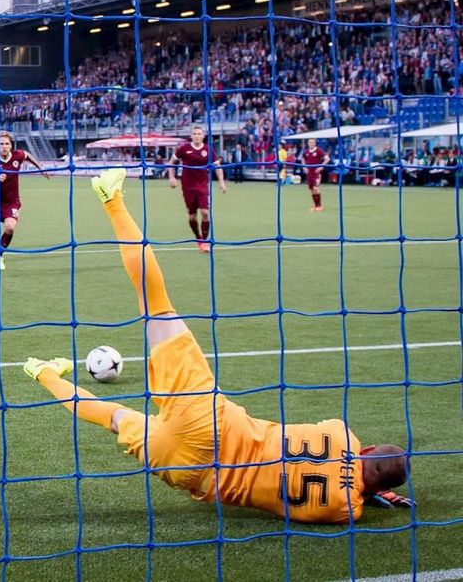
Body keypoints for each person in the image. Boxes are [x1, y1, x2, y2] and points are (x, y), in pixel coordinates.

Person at [22, 168, 413, 524]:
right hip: (190, 472)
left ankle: (112, 199)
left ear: (369, 449)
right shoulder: (345, 510)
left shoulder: (343, 436)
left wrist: (361, 472)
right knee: (114, 418)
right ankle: (42, 371)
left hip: (211, 425)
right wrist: (368, 489)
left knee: (155, 305)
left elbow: (342, 456)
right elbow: (350, 486)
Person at [0, 131, 47, 274]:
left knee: (10, 227)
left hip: (12, 202)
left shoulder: (17, 156)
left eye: (7, 144)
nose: (4, 146)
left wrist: (40, 167)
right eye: (1, 144)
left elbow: (27, 154)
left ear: (11, 146)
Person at [169, 125, 226, 253]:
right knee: (192, 216)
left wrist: (221, 183)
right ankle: (198, 239)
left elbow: (218, 166)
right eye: (194, 133)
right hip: (187, 187)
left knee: (205, 213)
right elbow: (171, 162)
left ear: (203, 136)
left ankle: (204, 242)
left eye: (199, 133)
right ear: (191, 136)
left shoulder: (208, 150)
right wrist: (172, 177)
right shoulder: (184, 149)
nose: (197, 136)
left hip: (202, 186)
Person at [302, 138, 331, 211]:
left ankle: (319, 206)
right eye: (309, 142)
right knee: (312, 189)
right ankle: (315, 206)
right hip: (309, 174)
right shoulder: (306, 152)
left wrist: (321, 166)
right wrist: (304, 167)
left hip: (316, 173)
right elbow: (303, 159)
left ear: (315, 143)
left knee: (315, 188)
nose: (311, 144)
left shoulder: (319, 151)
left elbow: (327, 159)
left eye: (312, 142)